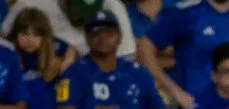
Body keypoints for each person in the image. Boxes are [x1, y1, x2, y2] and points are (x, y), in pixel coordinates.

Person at [1, 0, 136, 59]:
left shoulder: (113, 7)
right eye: (79, 12)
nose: (83, 20)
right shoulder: (30, 3)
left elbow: (126, 56)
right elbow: (4, 36)